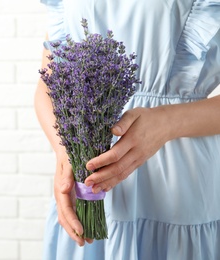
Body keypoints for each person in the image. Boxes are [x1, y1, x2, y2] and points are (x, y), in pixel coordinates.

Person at [34, 0, 220, 259]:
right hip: (85, 177)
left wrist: (166, 122)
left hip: (179, 179)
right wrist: (66, 156)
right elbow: (50, 82)